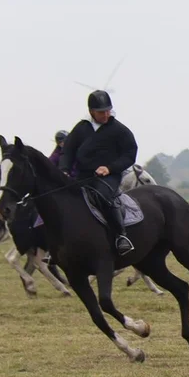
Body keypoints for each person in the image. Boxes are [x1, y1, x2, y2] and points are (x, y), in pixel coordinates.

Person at [58, 90, 138, 255]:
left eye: (108, 110)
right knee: (65, 199)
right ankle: (60, 243)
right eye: (102, 112)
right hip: (83, 176)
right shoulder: (81, 128)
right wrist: (64, 170)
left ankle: (121, 236)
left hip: (110, 176)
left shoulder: (119, 130)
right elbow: (68, 151)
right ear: (91, 111)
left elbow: (130, 154)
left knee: (103, 196)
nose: (106, 114)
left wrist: (109, 168)